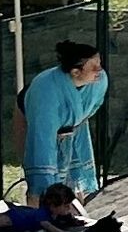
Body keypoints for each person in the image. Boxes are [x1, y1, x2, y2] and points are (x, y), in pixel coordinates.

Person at [19, 37, 106, 212]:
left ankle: (73, 221)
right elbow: (42, 139)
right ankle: (34, 223)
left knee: (75, 179)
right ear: (75, 72)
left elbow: (93, 106)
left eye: (100, 63)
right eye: (94, 66)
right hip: (33, 116)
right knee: (42, 185)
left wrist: (72, 125)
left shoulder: (100, 81)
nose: (100, 69)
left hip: (73, 124)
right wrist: (47, 186)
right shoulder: (45, 92)